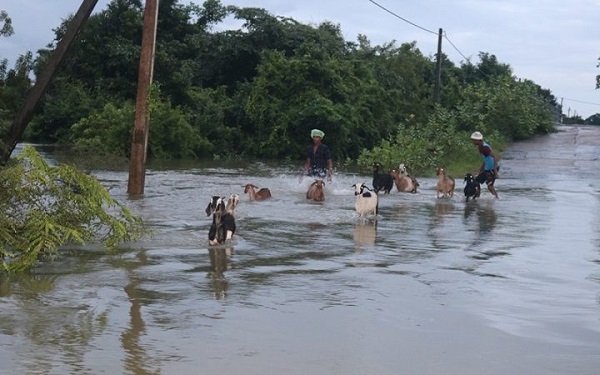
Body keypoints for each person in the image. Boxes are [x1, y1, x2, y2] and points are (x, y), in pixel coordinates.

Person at [470, 131, 499, 198]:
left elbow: (494, 157)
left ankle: (497, 199)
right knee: (476, 181)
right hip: (487, 168)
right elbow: (486, 158)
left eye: (473, 140)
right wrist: (481, 168)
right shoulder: (480, 147)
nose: (473, 142)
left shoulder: (484, 147)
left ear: (478, 140)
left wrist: (495, 171)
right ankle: (477, 197)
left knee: (490, 186)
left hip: (491, 169)